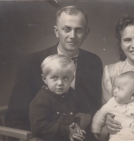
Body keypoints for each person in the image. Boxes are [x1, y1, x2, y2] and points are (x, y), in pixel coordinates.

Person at [5, 5, 103, 141]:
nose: (72, 36)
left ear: (86, 33)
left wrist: (89, 116)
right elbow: (15, 116)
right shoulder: (31, 62)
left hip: (80, 135)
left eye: (78, 30)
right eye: (66, 29)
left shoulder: (93, 61)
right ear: (57, 31)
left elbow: (94, 105)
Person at [30, 54, 87, 141]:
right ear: (44, 79)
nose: (60, 83)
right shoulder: (41, 99)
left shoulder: (71, 94)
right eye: (54, 78)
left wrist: (76, 124)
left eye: (65, 78)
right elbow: (38, 126)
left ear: (72, 79)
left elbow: (74, 113)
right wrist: (66, 130)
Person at [92, 71, 134, 141]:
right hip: (117, 138)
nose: (115, 91)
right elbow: (100, 114)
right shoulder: (112, 102)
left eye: (120, 89)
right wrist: (96, 129)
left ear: (133, 95)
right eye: (115, 87)